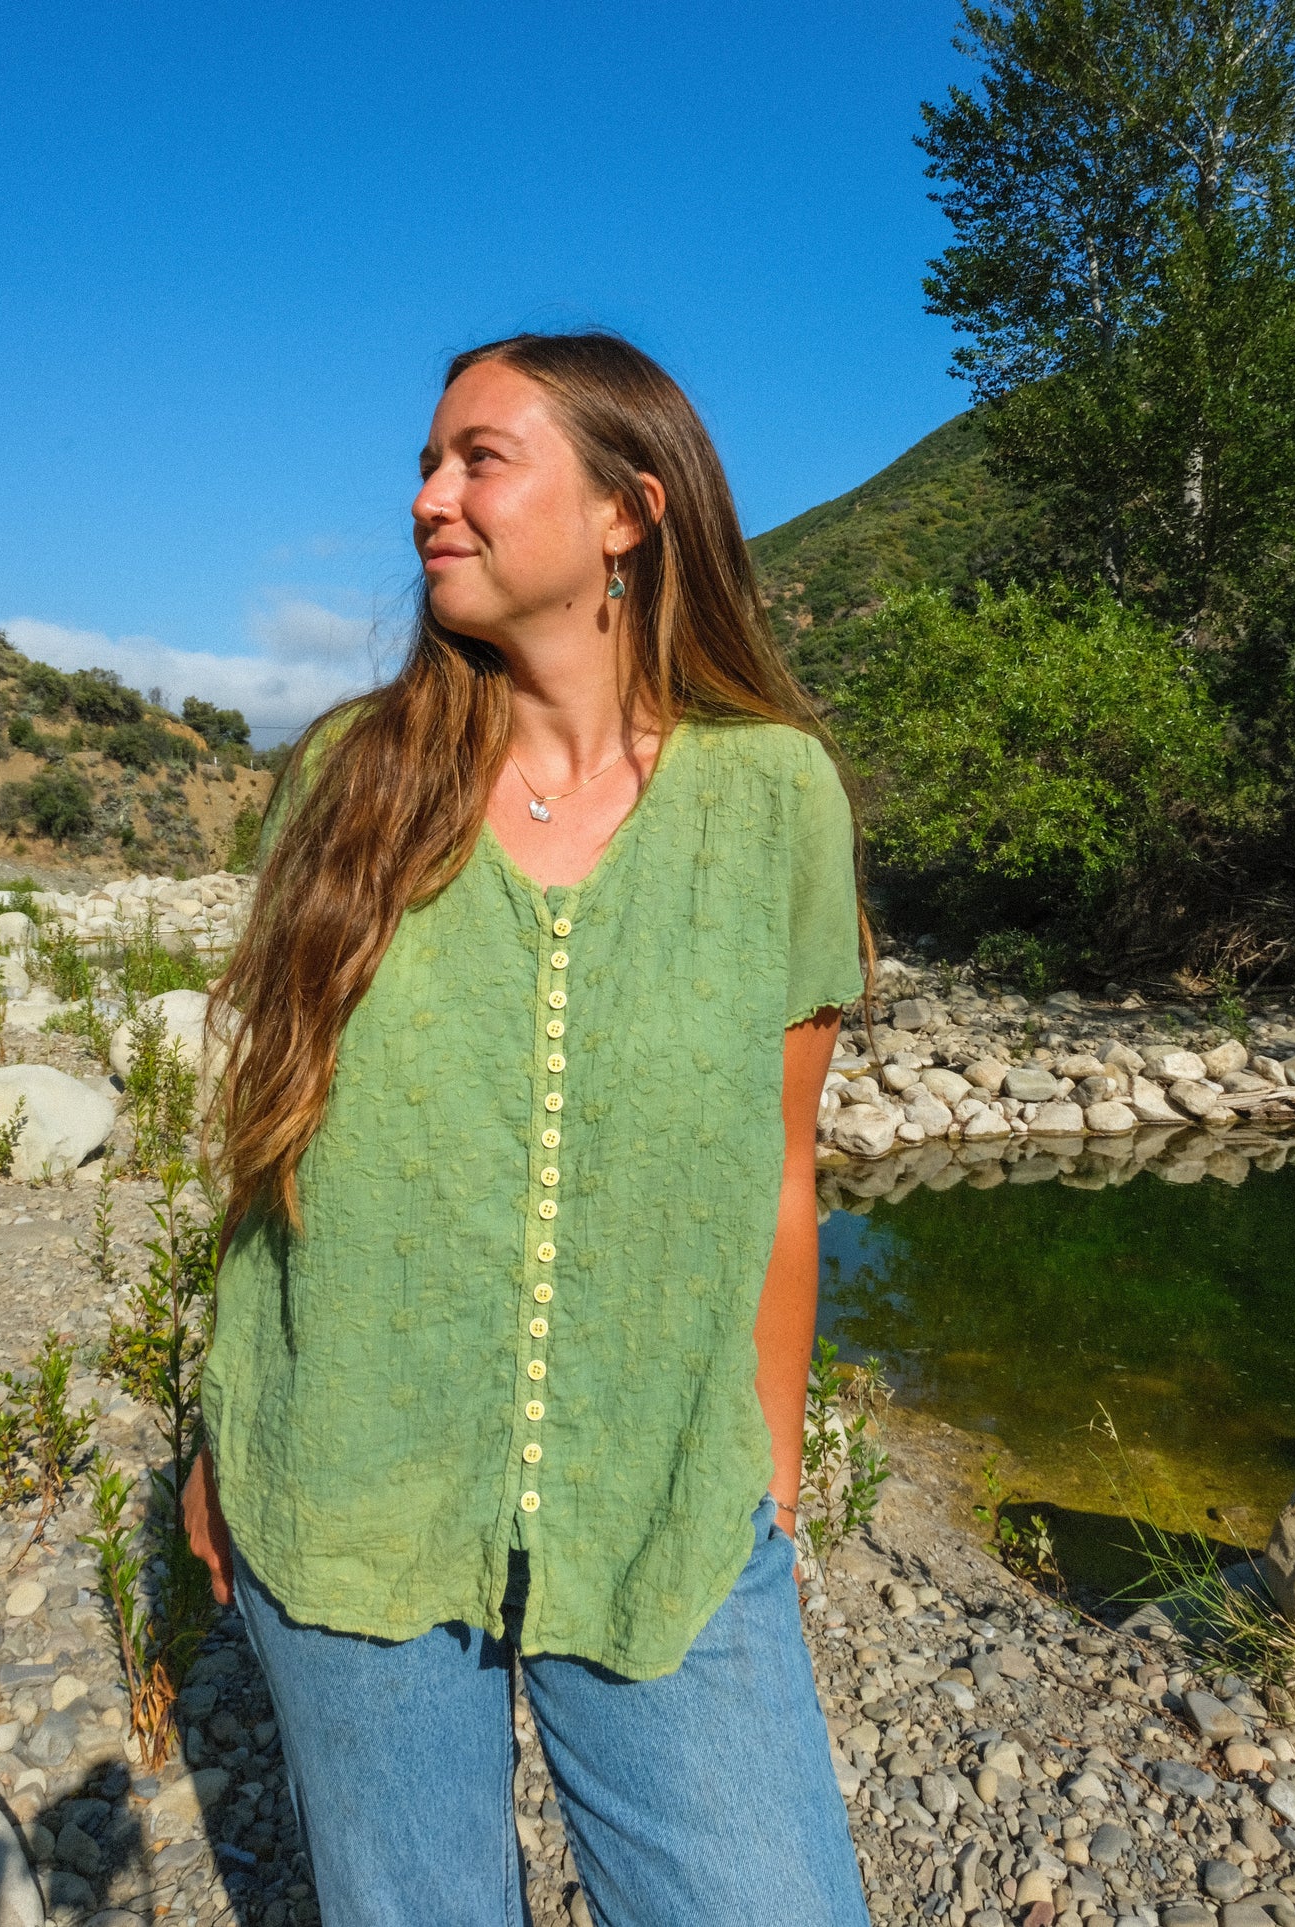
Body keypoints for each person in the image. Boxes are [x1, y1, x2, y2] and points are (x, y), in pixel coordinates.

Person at [184, 330, 872, 1927]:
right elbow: (278, 1139)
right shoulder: (350, 776)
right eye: (426, 463)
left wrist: (764, 1469)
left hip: (667, 1503)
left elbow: (781, 1167)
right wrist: (230, 1429)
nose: (429, 497)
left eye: (478, 459)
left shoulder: (775, 799)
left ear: (627, 511)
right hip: (342, 1486)